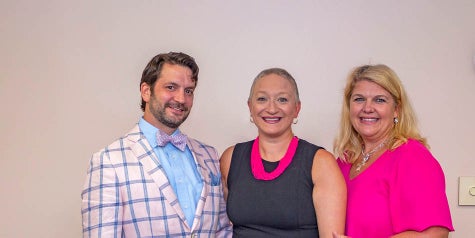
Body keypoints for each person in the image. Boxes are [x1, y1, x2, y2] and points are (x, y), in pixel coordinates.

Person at [81, 52, 232, 237]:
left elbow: (222, 230)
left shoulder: (209, 155)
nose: (181, 99)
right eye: (171, 87)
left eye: (188, 91)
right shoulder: (109, 161)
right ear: (146, 91)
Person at [220, 68, 347, 238]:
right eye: (262, 99)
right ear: (250, 106)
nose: (272, 109)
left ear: (297, 108)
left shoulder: (321, 163)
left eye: (282, 99)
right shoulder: (230, 159)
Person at [333, 64, 454, 238]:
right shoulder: (345, 161)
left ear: (396, 109)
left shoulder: (411, 156)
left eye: (379, 100)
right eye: (359, 99)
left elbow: (434, 234)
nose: (367, 108)